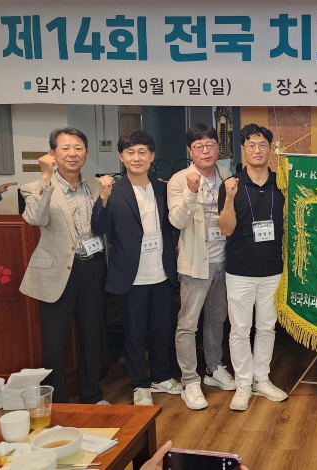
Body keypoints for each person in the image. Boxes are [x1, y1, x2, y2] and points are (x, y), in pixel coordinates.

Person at [91, 130, 182, 406]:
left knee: (161, 329)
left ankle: (161, 376)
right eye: (130, 152)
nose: (136, 157)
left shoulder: (163, 188)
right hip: (131, 275)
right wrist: (103, 197)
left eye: (142, 152)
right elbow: (99, 228)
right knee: (134, 333)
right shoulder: (113, 191)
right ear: (121, 157)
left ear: (152, 156)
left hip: (162, 272)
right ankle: (139, 383)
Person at [19, 127, 107, 404]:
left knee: (92, 337)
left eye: (78, 148)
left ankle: (92, 395)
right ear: (52, 153)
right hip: (57, 271)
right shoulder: (34, 187)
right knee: (54, 343)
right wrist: (46, 177)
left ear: (86, 153)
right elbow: (35, 219)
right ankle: (56, 403)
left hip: (92, 268)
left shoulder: (96, 185)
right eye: (65, 148)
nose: (72, 153)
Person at [218, 123, 287, 411]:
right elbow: (226, 229)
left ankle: (262, 378)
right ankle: (243, 383)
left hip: (273, 268)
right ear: (243, 150)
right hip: (240, 269)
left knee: (267, 327)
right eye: (251, 145)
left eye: (262, 145)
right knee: (240, 329)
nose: (257, 150)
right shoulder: (231, 185)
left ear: (270, 150)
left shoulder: (282, 184)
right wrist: (229, 198)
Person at [168, 124, 234, 410]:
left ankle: (214, 368)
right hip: (195, 262)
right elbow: (177, 221)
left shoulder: (227, 175)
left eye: (210, 144)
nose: (205, 151)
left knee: (217, 318)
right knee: (188, 323)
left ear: (218, 147)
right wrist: (191, 191)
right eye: (198, 146)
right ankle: (189, 380)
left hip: (224, 260)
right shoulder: (179, 180)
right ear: (190, 150)